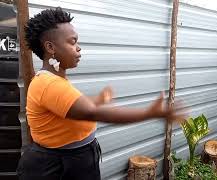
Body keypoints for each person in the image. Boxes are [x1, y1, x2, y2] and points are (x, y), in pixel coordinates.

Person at [17, 7, 185, 180]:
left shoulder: (55, 81)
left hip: (75, 159)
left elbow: (71, 107)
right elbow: (91, 112)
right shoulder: (49, 84)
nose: (79, 48)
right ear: (50, 47)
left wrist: (98, 99)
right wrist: (151, 113)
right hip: (59, 167)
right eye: (72, 42)